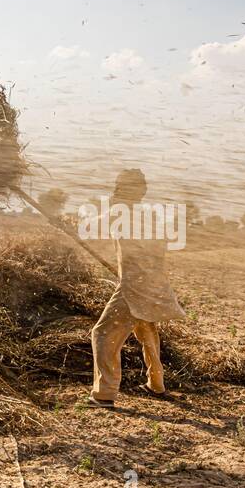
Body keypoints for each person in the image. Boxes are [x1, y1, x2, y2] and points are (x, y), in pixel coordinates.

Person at [89, 169, 185, 408]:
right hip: (154, 283)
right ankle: (156, 384)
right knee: (146, 331)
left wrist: (62, 224)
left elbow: (91, 228)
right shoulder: (148, 216)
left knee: (103, 334)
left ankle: (104, 394)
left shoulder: (118, 212)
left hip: (133, 286)